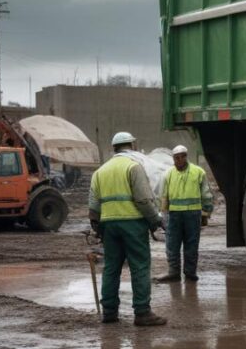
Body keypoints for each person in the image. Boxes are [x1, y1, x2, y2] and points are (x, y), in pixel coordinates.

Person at [89, 132, 167, 325]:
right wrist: (155, 220)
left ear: (114, 148)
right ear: (132, 145)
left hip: (109, 225)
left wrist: (97, 227)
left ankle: (109, 312)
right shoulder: (134, 167)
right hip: (132, 223)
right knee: (139, 266)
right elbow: (143, 199)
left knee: (111, 268)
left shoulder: (100, 171)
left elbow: (93, 206)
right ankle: (142, 312)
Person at [155, 145, 213, 283]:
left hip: (193, 214)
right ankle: (174, 272)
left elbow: (206, 194)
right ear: (173, 159)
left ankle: (190, 273)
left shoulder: (198, 172)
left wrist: (206, 213)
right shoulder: (168, 174)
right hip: (174, 215)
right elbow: (163, 196)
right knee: (172, 245)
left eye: (182, 157)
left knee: (191, 245)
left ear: (186, 156)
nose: (179, 160)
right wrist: (163, 215)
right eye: (176, 158)